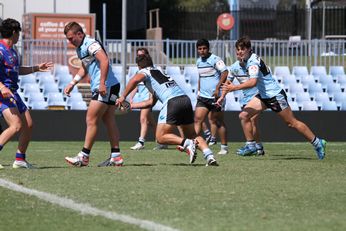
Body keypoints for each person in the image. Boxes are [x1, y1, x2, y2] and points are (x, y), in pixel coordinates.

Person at [218, 36, 326, 159]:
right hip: (264, 96)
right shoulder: (245, 61)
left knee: (291, 123)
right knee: (244, 115)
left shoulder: (253, 62)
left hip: (275, 96)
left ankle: (318, 142)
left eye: (242, 49)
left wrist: (234, 88)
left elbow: (253, 82)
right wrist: (222, 95)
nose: (239, 52)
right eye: (238, 49)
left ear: (249, 49)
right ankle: (251, 146)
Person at [117, 54, 219, 166]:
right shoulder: (159, 74)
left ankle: (187, 143)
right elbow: (151, 102)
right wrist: (131, 106)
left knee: (160, 137)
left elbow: (135, 80)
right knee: (192, 134)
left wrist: (123, 97)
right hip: (185, 100)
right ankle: (209, 155)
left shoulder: (145, 72)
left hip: (172, 102)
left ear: (139, 66)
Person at [63, 22, 123, 167]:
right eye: (68, 39)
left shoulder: (91, 44)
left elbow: (104, 60)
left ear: (80, 34)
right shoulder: (81, 48)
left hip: (105, 86)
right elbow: (85, 67)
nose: (70, 42)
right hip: (111, 85)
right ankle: (116, 156)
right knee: (108, 119)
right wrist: (73, 83)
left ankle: (84, 156)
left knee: (91, 119)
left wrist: (102, 83)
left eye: (71, 38)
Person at [0, 18, 53, 169]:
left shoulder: (13, 51)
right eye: (19, 33)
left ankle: (20, 159)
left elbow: (17, 70)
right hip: (2, 94)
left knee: (28, 125)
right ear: (14, 32)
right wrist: (2, 87)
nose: (19, 36)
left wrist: (36, 68)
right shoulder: (0, 49)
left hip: (13, 93)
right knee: (16, 125)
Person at [218, 49, 265, 155]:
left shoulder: (252, 65)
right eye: (237, 53)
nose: (239, 55)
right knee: (251, 122)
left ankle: (253, 146)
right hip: (245, 99)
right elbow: (227, 83)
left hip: (257, 97)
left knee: (253, 120)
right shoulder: (234, 67)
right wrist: (222, 97)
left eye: (241, 53)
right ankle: (258, 147)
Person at [194, 39, 229, 155]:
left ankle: (224, 147)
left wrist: (218, 88)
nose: (202, 51)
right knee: (197, 119)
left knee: (217, 121)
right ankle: (194, 144)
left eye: (204, 48)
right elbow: (201, 77)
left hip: (215, 97)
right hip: (203, 97)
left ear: (208, 49)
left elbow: (225, 72)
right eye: (200, 49)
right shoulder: (198, 62)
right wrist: (199, 90)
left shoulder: (215, 59)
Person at [129, 47, 167, 150]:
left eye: (141, 55)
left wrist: (152, 97)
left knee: (143, 118)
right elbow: (135, 86)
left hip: (148, 98)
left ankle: (141, 142)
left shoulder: (154, 69)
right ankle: (162, 141)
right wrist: (131, 98)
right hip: (141, 98)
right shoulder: (139, 71)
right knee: (151, 122)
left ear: (147, 56)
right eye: (138, 55)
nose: (139, 57)